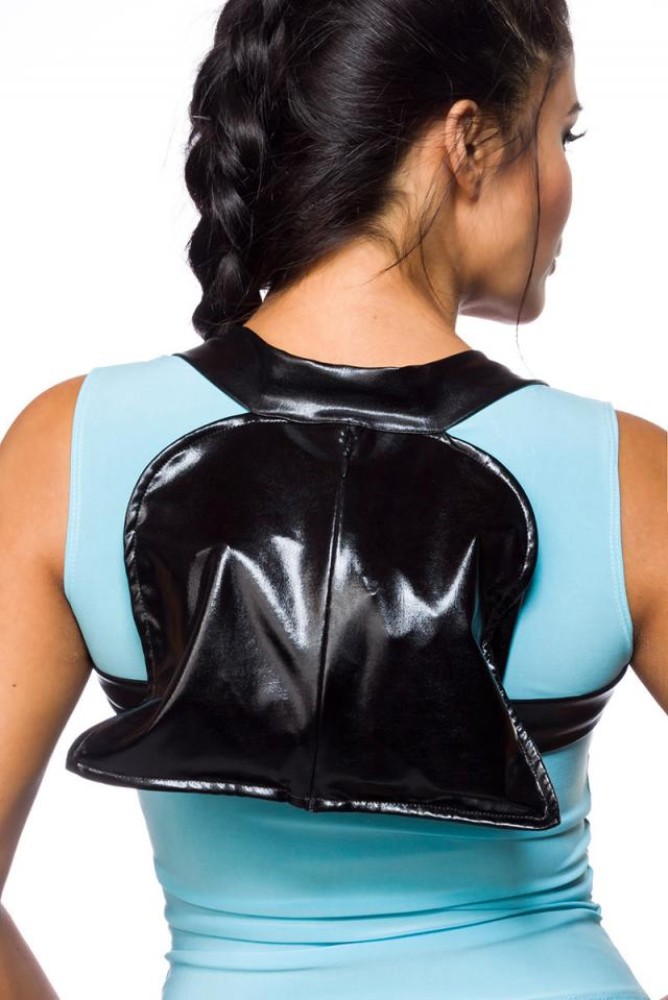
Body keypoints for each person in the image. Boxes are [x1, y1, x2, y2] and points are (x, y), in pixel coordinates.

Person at [0, 0, 666, 997]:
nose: (565, 187)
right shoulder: (625, 474)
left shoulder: (72, 445)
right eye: (559, 135)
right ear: (466, 141)